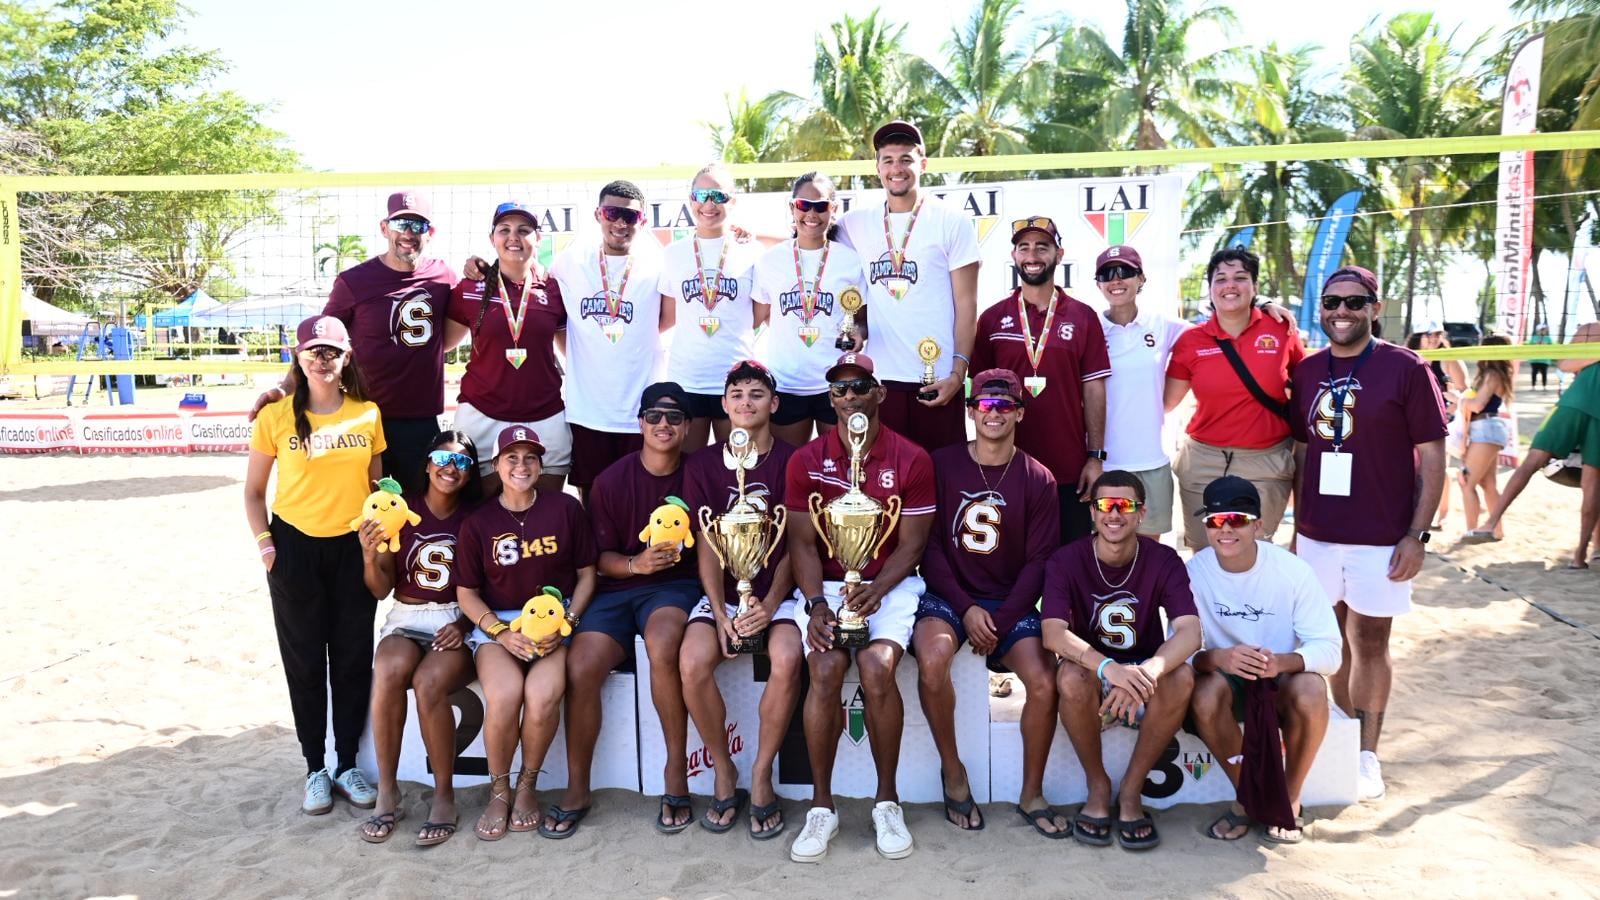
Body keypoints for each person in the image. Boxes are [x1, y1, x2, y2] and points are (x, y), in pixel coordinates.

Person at [1290, 266, 1446, 803]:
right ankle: (1342, 731)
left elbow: (1432, 456)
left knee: (1371, 642)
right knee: (1327, 638)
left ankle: (1367, 754)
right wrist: (1296, 525)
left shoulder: (1406, 367)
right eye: (1333, 301)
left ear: (1375, 308)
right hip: (1317, 534)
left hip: (1382, 535)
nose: (1342, 312)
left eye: (1355, 303)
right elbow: (1304, 453)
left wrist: (1417, 536)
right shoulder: (1308, 371)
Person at [783, 351, 935, 863]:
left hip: (891, 583)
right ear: (830, 400)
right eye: (839, 391)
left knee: (876, 666)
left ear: (879, 393)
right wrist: (815, 602)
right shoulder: (805, 459)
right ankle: (821, 807)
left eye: (859, 387)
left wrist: (875, 591)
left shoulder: (911, 457)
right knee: (824, 668)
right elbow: (802, 544)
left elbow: (912, 545)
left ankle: (886, 801)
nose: (849, 397)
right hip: (827, 585)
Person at [243, 315, 385, 816]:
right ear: (298, 358)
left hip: (351, 550)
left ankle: (347, 763)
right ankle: (314, 768)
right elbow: (255, 492)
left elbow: (377, 493)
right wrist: (267, 547)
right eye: (313, 352)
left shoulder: (367, 414)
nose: (322, 360)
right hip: (294, 550)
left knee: (350, 660)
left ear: (347, 357)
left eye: (331, 352)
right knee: (305, 664)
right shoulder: (276, 416)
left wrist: (378, 545)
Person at [914, 369, 1060, 835]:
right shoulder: (940, 464)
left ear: (1019, 412)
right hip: (948, 596)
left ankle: (1032, 792)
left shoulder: (1039, 478)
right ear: (971, 410)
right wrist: (965, 606)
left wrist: (1001, 616)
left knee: (1042, 679)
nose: (992, 413)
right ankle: (953, 773)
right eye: (984, 404)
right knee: (933, 659)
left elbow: (1039, 561)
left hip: (1008, 602)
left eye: (1004, 406)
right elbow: (929, 548)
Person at [556, 383, 703, 836]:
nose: (664, 425)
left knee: (663, 644)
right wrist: (635, 563)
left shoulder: (701, 474)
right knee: (581, 664)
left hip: (675, 588)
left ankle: (675, 771)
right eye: (654, 416)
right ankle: (578, 786)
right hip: (618, 587)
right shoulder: (611, 479)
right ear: (639, 422)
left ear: (689, 427)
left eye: (674, 417)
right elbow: (596, 558)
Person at [251, 192, 461, 494]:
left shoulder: (443, 277)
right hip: (362, 415)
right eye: (400, 223)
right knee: (363, 505)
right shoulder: (354, 281)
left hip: (420, 419)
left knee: (416, 508)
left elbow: (449, 336)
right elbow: (319, 342)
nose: (408, 233)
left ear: (430, 233)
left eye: (418, 226)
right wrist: (285, 387)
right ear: (384, 227)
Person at [1041, 470, 1201, 850]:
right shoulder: (1066, 559)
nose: (1115, 514)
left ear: (1142, 512)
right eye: (1105, 505)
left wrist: (1148, 671)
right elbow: (1053, 633)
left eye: (1125, 505)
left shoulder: (1163, 559)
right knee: (1071, 678)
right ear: (1093, 513)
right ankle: (1098, 787)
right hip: (1094, 672)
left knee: (1180, 678)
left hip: (1144, 671)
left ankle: (1131, 791)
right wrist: (1108, 667)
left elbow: (1190, 631)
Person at [454, 425, 598, 841]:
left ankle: (527, 787)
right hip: (499, 625)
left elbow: (587, 575)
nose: (521, 465)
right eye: (511, 458)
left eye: (530, 458)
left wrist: (568, 622)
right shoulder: (479, 521)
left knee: (541, 697)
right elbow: (467, 593)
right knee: (504, 697)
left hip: (555, 623)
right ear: (496, 465)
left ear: (541, 464)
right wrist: (500, 633)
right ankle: (499, 791)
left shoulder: (565, 508)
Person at [1186, 476, 1342, 844]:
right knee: (1205, 693)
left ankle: (1289, 798)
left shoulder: (1292, 571)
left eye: (1236, 519)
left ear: (1258, 524)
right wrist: (1218, 657)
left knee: (1311, 688)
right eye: (1215, 520)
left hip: (1280, 680)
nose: (1225, 529)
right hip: (1229, 679)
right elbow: (1176, 648)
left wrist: (1282, 662)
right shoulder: (1193, 573)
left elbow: (1330, 650)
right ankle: (1250, 799)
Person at [680, 360, 800, 839]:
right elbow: (707, 543)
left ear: (774, 404)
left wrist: (770, 604)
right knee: (690, 661)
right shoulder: (703, 464)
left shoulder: (795, 459)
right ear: (724, 405)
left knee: (789, 658)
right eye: (737, 395)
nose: (746, 402)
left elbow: (797, 543)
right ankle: (725, 770)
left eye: (756, 394)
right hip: (725, 595)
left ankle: (761, 773)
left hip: (778, 594)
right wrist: (721, 612)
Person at [356, 430, 482, 846]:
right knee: (388, 667)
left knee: (429, 683)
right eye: (442, 459)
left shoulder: (475, 518)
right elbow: (380, 589)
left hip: (455, 618)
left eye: (462, 462)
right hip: (407, 614)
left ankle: (444, 795)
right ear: (427, 464)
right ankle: (389, 789)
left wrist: (463, 626)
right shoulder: (401, 511)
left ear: (470, 473)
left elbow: (487, 590)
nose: (450, 468)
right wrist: (370, 555)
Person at [834, 120, 980, 452]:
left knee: (941, 480)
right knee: (885, 486)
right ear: (877, 167)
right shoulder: (855, 223)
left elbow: (967, 305)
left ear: (923, 164)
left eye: (906, 159)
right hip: (881, 383)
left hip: (938, 378)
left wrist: (958, 374)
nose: (896, 168)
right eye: (888, 159)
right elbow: (812, 245)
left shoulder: (950, 221)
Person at [972, 217, 1109, 542]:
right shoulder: (992, 318)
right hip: (1005, 469)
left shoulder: (1082, 316)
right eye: (1024, 247)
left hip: (1068, 470)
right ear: (1014, 256)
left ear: (1059, 254)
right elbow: (977, 395)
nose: (1032, 255)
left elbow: (1094, 389)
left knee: (1068, 569)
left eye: (1042, 247)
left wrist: (1095, 457)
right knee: (1010, 568)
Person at [1166, 247, 1304, 549]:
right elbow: (1165, 403)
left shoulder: (1282, 329)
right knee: (1204, 554)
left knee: (1255, 553)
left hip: (1265, 462)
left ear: (1254, 287)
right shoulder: (1191, 341)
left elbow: (1307, 389)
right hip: (1203, 461)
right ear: (1210, 288)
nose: (1230, 285)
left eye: (1240, 277)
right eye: (1221, 278)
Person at [549, 180, 666, 492]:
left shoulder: (658, 265)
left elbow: (666, 320)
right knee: (593, 497)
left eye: (630, 216)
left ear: (642, 221)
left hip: (639, 410)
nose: (620, 222)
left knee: (641, 498)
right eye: (612, 212)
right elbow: (532, 289)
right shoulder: (570, 262)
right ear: (598, 214)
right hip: (589, 410)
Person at [447, 202, 570, 494]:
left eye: (523, 230)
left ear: (537, 238)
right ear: (493, 239)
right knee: (478, 512)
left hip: (545, 413)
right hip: (482, 412)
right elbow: (439, 346)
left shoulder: (555, 288)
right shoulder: (468, 288)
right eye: (505, 230)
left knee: (545, 512)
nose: (513, 237)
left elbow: (574, 352)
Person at [753, 172, 869, 447]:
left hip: (837, 384)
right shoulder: (770, 261)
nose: (812, 214)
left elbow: (862, 320)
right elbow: (758, 316)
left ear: (834, 209)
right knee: (790, 470)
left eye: (821, 206)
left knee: (840, 469)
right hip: (787, 381)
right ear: (792, 207)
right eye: (804, 205)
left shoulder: (851, 261)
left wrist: (859, 335)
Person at [1471, 322, 1600, 568]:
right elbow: (1564, 364)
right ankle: (1490, 522)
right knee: (1532, 461)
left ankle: (1581, 555)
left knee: (1593, 485)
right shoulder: (1589, 329)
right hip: (1574, 403)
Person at [659, 163, 762, 453]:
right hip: (687, 378)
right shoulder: (672, 255)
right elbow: (669, 316)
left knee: (738, 471)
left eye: (718, 196)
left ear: (733, 200)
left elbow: (758, 313)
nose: (708, 204)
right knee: (688, 470)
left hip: (735, 380)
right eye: (701, 195)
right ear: (691, 199)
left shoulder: (751, 251)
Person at [1406, 322, 1465, 530]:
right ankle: (1414, 513)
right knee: (1412, 469)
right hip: (1410, 424)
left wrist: (1454, 402)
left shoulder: (1447, 358)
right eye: (1428, 334)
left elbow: (1465, 390)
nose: (1433, 338)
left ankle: (1443, 513)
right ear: (1418, 335)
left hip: (1441, 423)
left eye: (1437, 334)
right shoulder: (1408, 356)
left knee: (1439, 467)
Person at [1460, 334, 1515, 537]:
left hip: (1486, 427)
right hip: (1491, 427)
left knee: (1466, 481)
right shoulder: (1497, 373)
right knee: (1488, 484)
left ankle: (1472, 531)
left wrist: (1460, 401)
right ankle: (1497, 530)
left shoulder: (1492, 374)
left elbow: (1477, 405)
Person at [1529, 323, 1553, 389]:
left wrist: (1545, 346)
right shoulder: (1533, 338)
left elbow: (1552, 347)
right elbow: (1529, 347)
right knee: (1534, 373)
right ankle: (1533, 386)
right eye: (1542, 330)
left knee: (1544, 373)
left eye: (1544, 330)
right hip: (1534, 360)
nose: (1543, 331)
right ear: (1538, 330)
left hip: (1545, 360)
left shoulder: (1548, 338)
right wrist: (1536, 345)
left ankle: (1544, 386)